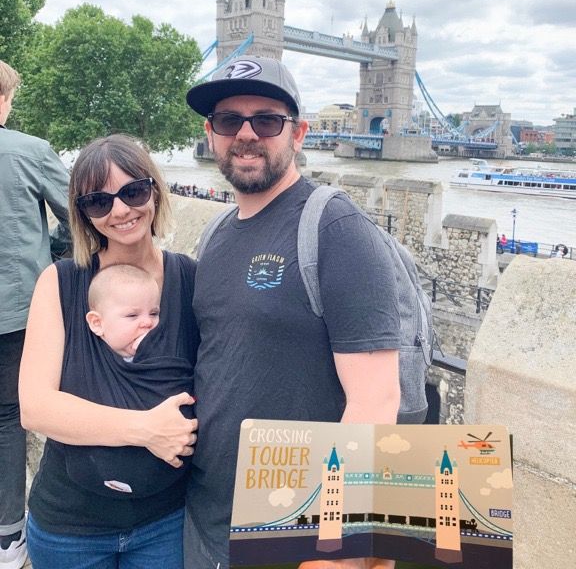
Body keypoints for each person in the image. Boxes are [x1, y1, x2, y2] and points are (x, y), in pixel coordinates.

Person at [185, 55, 401, 569]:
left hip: (290, 536)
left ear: (298, 134)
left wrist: (337, 549)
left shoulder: (334, 228)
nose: (246, 134)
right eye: (228, 120)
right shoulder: (214, 235)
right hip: (204, 520)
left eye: (266, 120)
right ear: (211, 135)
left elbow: (375, 401)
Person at [19, 134, 199, 569]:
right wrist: (146, 429)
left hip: (166, 521)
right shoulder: (61, 283)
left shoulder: (192, 280)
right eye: (99, 201)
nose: (120, 211)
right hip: (70, 526)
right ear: (83, 213)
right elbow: (36, 408)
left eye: (133, 192)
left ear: (154, 191)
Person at [0, 60, 70, 569]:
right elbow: (83, 213)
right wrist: (55, 253)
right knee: (9, 417)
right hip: (17, 310)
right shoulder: (28, 151)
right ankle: (9, 536)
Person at [86, 264, 161, 360]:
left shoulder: (164, 351)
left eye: (154, 314)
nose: (148, 322)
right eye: (132, 315)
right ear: (97, 323)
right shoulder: (88, 360)